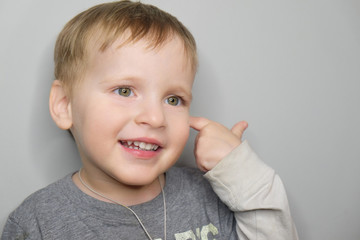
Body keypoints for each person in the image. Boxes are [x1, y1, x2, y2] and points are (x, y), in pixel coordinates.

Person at [1, 1, 298, 239]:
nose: (156, 118)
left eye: (173, 100)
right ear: (64, 105)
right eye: (125, 90)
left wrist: (241, 173)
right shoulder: (37, 222)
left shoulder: (211, 194)